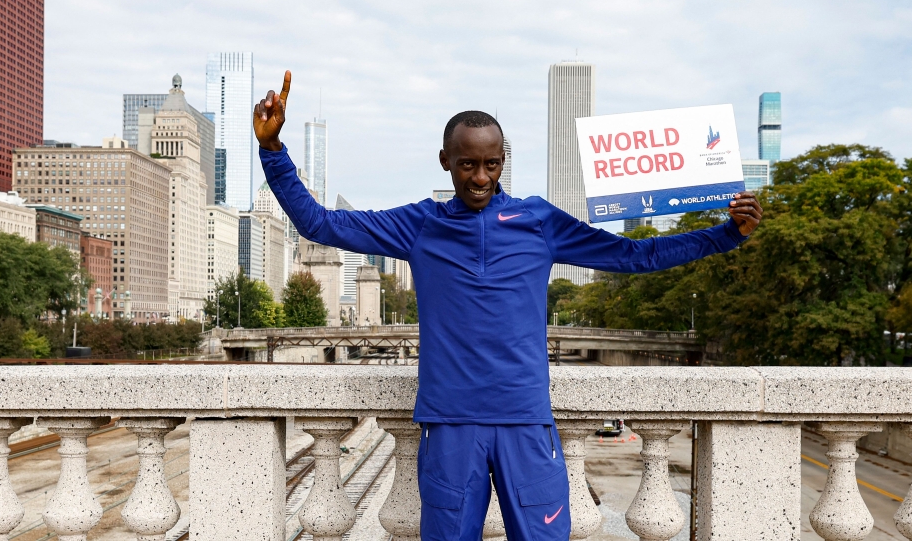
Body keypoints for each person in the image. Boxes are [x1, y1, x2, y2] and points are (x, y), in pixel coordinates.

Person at [254, 71, 762, 541]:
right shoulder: (420, 224)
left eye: (491, 164)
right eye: (468, 164)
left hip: (526, 421)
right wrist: (273, 148)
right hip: (450, 426)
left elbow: (633, 255)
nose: (480, 177)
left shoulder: (537, 220)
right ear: (445, 161)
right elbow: (320, 224)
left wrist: (726, 236)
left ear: (504, 162)